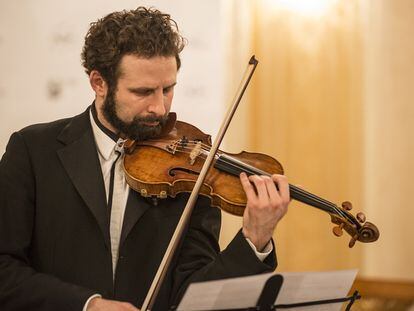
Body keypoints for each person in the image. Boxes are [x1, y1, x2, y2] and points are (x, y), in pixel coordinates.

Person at [0, 7, 290, 311]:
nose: (159, 108)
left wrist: (254, 238)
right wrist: (88, 305)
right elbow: (4, 269)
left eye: (168, 89)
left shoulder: (192, 172)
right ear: (99, 83)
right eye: (143, 91)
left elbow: (195, 298)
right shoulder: (32, 151)